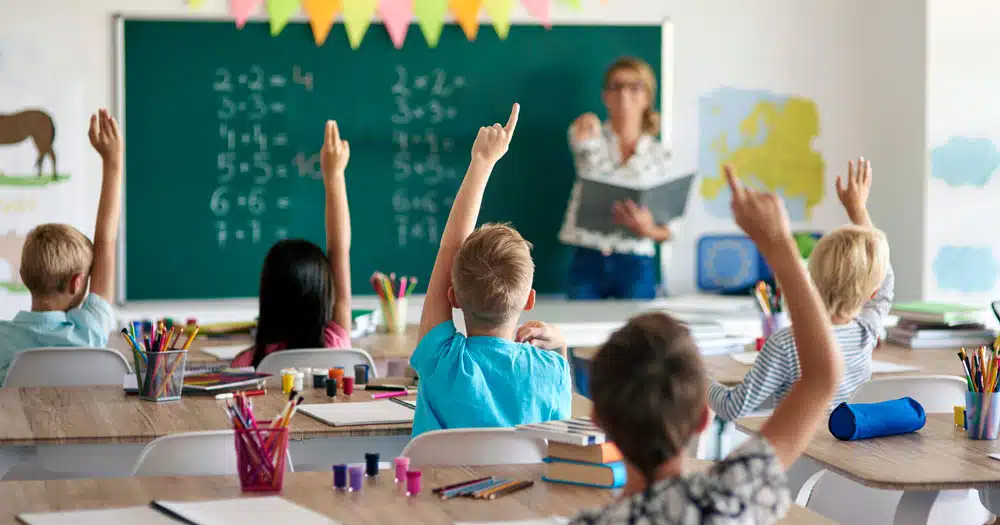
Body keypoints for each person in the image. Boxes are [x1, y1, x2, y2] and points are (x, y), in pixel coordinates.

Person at [569, 165, 843, 524]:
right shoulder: (734, 496)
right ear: (703, 415)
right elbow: (821, 378)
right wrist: (779, 244)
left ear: (597, 420)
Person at [410, 103, 573, 438]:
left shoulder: (443, 363)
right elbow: (559, 442)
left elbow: (448, 250)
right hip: (524, 492)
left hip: (438, 491)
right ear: (529, 300)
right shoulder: (551, 371)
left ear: (452, 296)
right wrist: (560, 347)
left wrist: (481, 164)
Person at [709, 158, 893, 421]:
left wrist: (695, 376)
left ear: (811, 279)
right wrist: (858, 209)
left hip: (798, 454)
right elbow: (885, 281)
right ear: (872, 292)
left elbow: (732, 407)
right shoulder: (866, 332)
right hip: (845, 453)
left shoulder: (786, 344)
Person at [0, 110, 122, 383]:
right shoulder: (89, 332)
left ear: (22, 276)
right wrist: (112, 161)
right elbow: (106, 241)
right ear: (78, 282)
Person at [231, 121, 353, 368]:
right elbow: (339, 249)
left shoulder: (248, 365)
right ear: (325, 296)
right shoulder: (335, 345)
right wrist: (334, 175)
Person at [559, 57, 673, 300]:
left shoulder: (661, 155)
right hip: (588, 256)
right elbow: (579, 143)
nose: (624, 94)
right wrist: (585, 124)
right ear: (605, 96)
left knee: (639, 334)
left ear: (647, 97)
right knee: (579, 331)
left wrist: (648, 229)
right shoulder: (590, 136)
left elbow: (670, 230)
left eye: (634, 87)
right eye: (617, 86)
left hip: (636, 261)